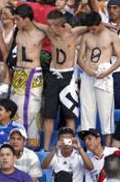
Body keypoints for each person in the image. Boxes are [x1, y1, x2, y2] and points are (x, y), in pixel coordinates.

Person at [34, 10, 86, 150]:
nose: (48, 28)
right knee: (48, 115)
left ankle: (72, 148)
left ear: (60, 25)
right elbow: (35, 23)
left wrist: (106, 24)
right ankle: (45, 148)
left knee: (69, 115)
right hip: (53, 74)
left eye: (51, 25)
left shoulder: (73, 33)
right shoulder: (50, 32)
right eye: (48, 25)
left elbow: (92, 26)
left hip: (68, 76)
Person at [78, 12, 120, 146]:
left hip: (104, 70)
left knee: (106, 111)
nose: (92, 31)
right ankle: (88, 145)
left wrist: (107, 72)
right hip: (88, 72)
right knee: (87, 109)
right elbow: (80, 58)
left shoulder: (111, 36)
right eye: (90, 28)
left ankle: (107, 146)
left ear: (100, 24)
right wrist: (88, 71)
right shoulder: (86, 36)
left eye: (94, 28)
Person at [6, 4, 45, 149]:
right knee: (15, 107)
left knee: (33, 109)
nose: (15, 21)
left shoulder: (40, 32)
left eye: (18, 19)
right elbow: (9, 50)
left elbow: (58, 30)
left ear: (27, 19)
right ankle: (15, 142)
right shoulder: (17, 31)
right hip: (19, 72)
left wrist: (34, 23)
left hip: (34, 72)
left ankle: (32, 144)